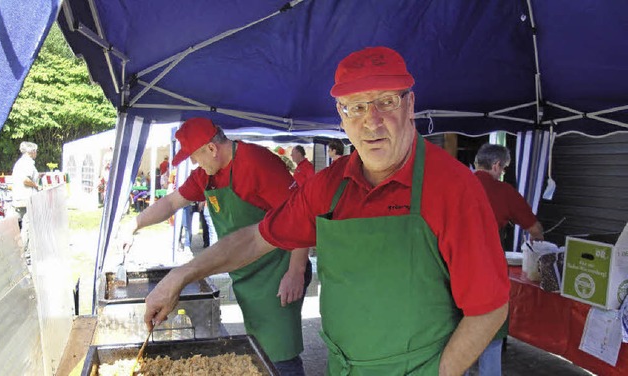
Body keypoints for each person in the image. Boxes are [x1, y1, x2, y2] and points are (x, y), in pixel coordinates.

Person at [144, 46, 509, 376]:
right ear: (341, 115)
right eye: (356, 107)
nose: (372, 120)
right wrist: (180, 276)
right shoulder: (330, 186)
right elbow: (256, 239)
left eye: (386, 102)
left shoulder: (453, 187)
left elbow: (490, 308)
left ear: (410, 105)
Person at [125, 117, 311, 375]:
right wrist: (134, 224)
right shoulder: (206, 175)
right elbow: (170, 203)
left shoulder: (257, 163)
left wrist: (296, 272)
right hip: (246, 272)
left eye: (194, 155)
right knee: (261, 347)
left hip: (278, 269)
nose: (193, 163)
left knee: (280, 352)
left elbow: (301, 218)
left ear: (211, 148)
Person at [472, 143, 544, 376]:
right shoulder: (504, 192)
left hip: (450, 270)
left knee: (455, 332)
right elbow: (534, 229)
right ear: (496, 165)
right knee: (491, 335)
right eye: (503, 169)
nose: (502, 173)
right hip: (488, 272)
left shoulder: (456, 183)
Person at [9, 141, 40, 261]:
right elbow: (26, 180)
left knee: (18, 226)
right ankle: (25, 253)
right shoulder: (27, 163)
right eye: (35, 151)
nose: (36, 153)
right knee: (27, 226)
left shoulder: (20, 163)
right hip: (26, 198)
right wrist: (36, 186)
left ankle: (18, 251)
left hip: (18, 197)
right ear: (31, 152)